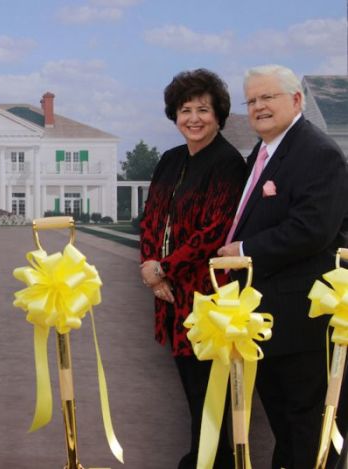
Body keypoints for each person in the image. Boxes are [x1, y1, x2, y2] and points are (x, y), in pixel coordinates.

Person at [218, 64, 348, 468]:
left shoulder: (319, 153)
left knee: (309, 427)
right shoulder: (264, 151)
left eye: (267, 97)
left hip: (303, 321)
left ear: (296, 100)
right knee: (286, 426)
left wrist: (243, 247)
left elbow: (311, 230)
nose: (258, 107)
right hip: (270, 317)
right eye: (252, 100)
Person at [139, 69, 246, 468]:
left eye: (204, 109)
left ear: (218, 115)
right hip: (168, 294)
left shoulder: (228, 164)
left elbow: (214, 231)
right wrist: (151, 271)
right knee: (191, 389)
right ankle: (202, 456)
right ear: (175, 115)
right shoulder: (170, 160)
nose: (194, 118)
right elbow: (150, 219)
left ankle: (210, 461)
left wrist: (164, 268)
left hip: (204, 295)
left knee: (209, 391)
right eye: (186, 110)